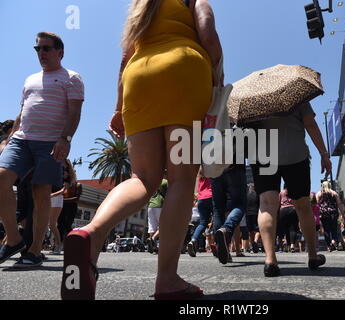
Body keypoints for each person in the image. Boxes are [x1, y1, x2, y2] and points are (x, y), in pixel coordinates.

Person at [61, 0, 223, 300]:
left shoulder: (142, 6)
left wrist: (119, 107)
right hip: (184, 70)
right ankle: (167, 279)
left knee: (142, 178)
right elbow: (208, 34)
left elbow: (125, 57)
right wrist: (217, 76)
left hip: (139, 77)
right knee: (181, 178)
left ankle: (90, 233)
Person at [0, 32, 84, 268]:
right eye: (38, 49)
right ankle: (14, 240)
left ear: (60, 52)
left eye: (46, 48)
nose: (41, 53)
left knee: (40, 193)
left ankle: (35, 250)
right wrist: (9, 138)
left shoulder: (72, 77)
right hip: (21, 139)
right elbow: (22, 111)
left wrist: (65, 139)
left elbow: (74, 112)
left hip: (50, 142)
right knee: (1, 179)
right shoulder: (30, 79)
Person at [248, 102, 331, 277]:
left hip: (263, 153)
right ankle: (313, 256)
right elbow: (310, 124)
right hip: (295, 155)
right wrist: (323, 154)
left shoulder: (254, 99)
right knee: (303, 205)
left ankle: (270, 260)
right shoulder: (296, 95)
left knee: (267, 205)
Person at [187, 172, 213, 258]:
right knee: (217, 218)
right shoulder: (212, 173)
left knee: (202, 223)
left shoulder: (200, 177)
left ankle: (193, 240)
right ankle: (217, 244)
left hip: (201, 200)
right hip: (211, 197)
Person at [316, 181, 345, 252]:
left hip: (323, 214)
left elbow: (316, 204)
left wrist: (316, 214)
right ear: (329, 185)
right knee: (334, 228)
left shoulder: (319, 193)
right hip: (333, 213)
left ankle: (329, 246)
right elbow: (339, 203)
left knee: (326, 230)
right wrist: (343, 213)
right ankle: (333, 241)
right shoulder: (334, 193)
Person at [146, 178, 168, 254]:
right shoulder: (165, 181)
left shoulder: (153, 180)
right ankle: (153, 238)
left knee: (152, 226)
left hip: (151, 205)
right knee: (164, 225)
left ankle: (154, 247)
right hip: (160, 204)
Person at [278, 188, 300, 253]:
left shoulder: (281, 192)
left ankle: (288, 245)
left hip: (283, 210)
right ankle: (292, 246)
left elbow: (278, 202)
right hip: (292, 209)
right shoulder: (294, 191)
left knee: (286, 229)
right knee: (292, 228)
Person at [246, 183, 262, 253]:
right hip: (256, 213)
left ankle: (252, 246)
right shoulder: (257, 194)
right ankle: (255, 241)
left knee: (250, 231)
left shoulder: (246, 195)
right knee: (258, 230)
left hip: (247, 214)